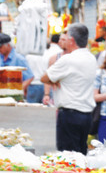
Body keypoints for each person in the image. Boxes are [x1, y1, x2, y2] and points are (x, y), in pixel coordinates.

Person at [41, 23, 97, 154]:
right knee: (81, 153)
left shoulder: (68, 59)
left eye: (66, 38)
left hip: (70, 114)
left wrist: (56, 80)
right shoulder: (91, 58)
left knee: (68, 156)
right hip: (86, 114)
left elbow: (44, 78)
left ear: (72, 40)